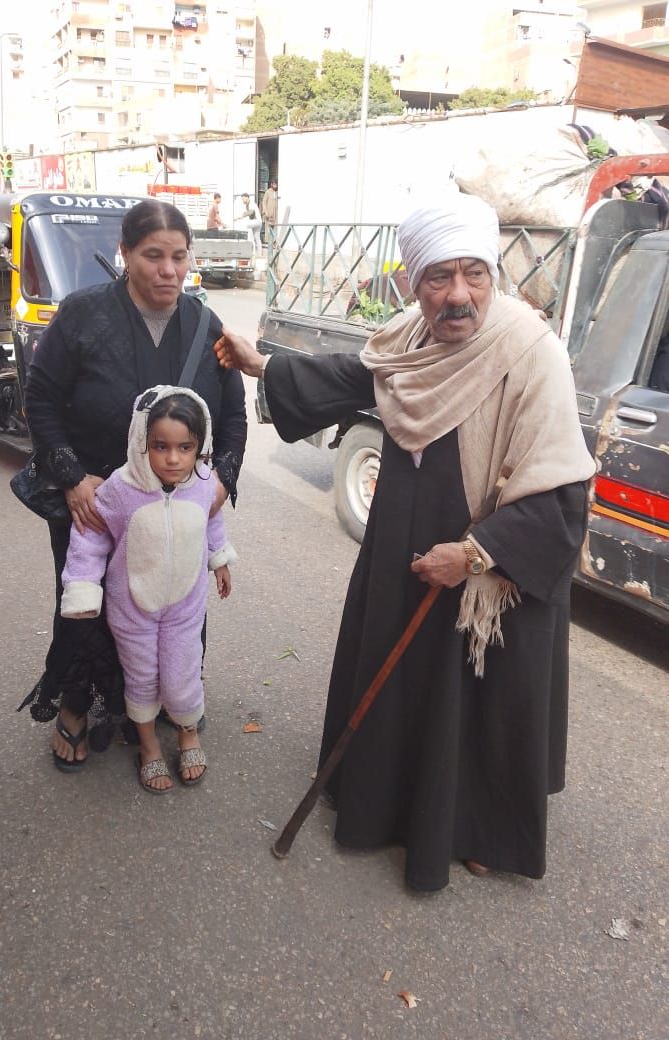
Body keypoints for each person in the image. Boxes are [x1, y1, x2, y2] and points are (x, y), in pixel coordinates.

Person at [215, 190, 596, 892]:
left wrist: (476, 553)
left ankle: (485, 830)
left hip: (493, 567)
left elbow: (562, 493)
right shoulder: (409, 337)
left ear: (493, 275)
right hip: (405, 548)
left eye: (473, 274)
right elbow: (355, 375)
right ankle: (387, 804)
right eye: (437, 278)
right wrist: (263, 363)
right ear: (411, 283)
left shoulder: (528, 352)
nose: (458, 296)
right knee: (404, 680)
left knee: (483, 695)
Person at [20, 199, 247, 771]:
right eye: (153, 256)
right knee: (86, 606)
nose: (169, 270)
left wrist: (224, 476)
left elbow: (235, 414)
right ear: (126, 254)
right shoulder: (81, 316)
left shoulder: (206, 325)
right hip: (102, 503)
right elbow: (41, 400)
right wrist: (72, 478)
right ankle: (76, 706)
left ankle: (171, 702)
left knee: (172, 605)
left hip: (177, 508)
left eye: (178, 256)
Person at [60, 387, 236, 791]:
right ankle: (149, 746)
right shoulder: (121, 490)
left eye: (185, 447)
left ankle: (188, 731)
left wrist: (221, 558)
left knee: (182, 673)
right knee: (141, 677)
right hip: (132, 611)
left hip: (185, 608)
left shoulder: (204, 484)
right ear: (142, 441)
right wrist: (84, 587)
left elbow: (211, 521)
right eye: (161, 446)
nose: (173, 459)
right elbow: (90, 536)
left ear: (200, 446)